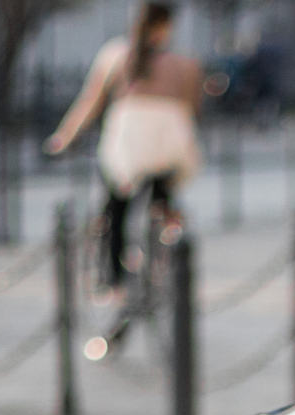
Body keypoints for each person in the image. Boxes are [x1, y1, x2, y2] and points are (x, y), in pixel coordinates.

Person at [46, 2, 203, 287]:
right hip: (169, 146)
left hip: (129, 144)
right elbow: (192, 109)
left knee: (116, 206)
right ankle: (167, 257)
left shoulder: (115, 56)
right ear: (166, 27)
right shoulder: (184, 63)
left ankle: (113, 278)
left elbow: (89, 104)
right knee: (162, 196)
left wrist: (63, 139)